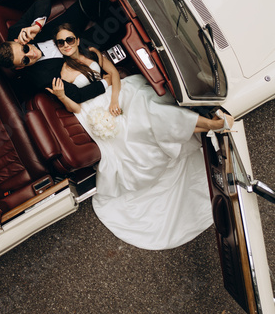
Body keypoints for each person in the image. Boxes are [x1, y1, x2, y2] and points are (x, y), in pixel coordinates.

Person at [47, 23, 235, 250]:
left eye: (69, 39)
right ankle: (209, 124)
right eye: (61, 42)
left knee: (149, 109)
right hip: (94, 111)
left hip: (120, 94)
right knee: (142, 125)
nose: (65, 45)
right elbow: (75, 108)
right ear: (57, 46)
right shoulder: (63, 73)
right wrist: (61, 96)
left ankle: (208, 123)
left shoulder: (93, 52)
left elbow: (114, 74)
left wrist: (115, 99)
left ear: (76, 40)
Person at [0, 0, 113, 103]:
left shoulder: (17, 32)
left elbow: (43, 1)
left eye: (25, 48)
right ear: (20, 67)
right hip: (80, 48)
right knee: (116, 20)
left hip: (65, 25)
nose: (32, 54)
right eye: (25, 60)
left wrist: (37, 25)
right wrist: (106, 83)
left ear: (17, 41)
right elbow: (77, 95)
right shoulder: (42, 78)